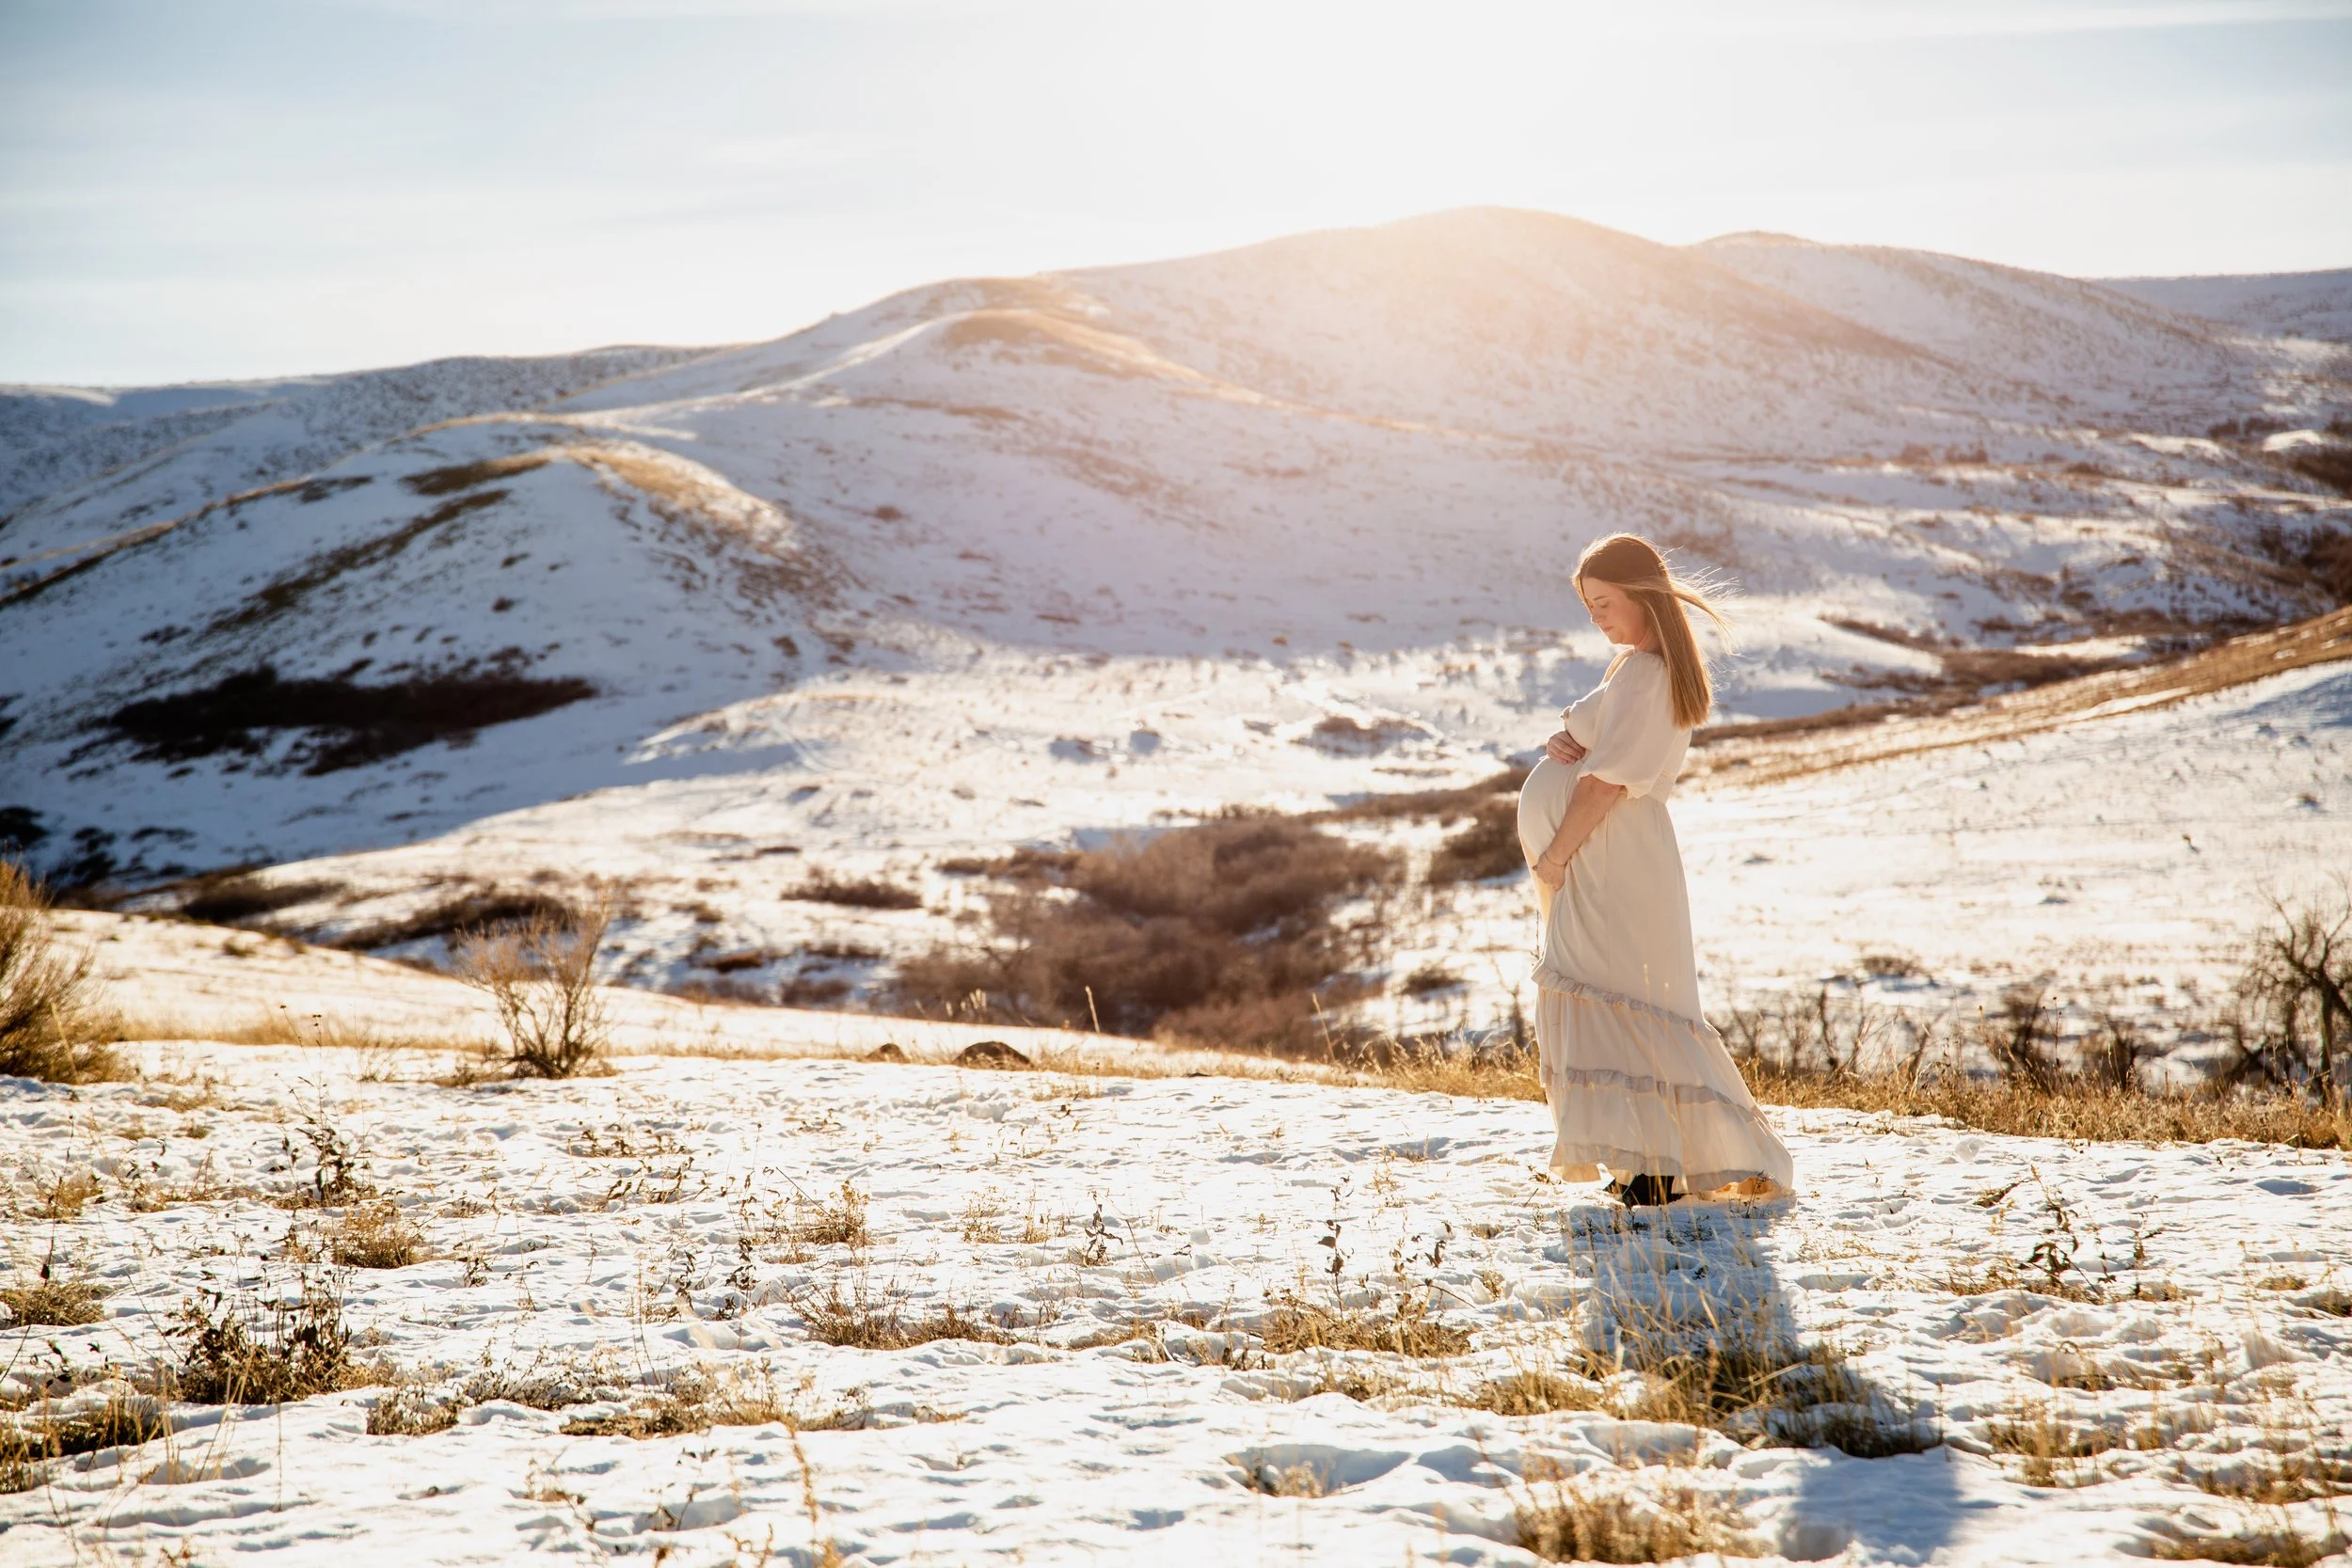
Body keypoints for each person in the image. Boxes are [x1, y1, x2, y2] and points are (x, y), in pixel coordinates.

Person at [1516, 533, 1794, 1206]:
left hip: (1607, 855)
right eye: (1588, 606)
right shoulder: (1637, 667)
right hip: (1616, 854)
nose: (1596, 618)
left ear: (1641, 594)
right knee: (1624, 1004)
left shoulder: (1645, 672)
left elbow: (1605, 783)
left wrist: (1556, 856)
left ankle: (1653, 1170)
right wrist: (1564, 739)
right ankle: (1646, 1165)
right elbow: (1598, 747)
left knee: (1614, 1002)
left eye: (1604, 602)